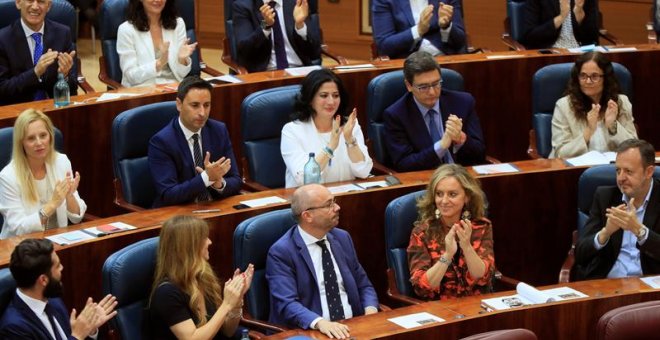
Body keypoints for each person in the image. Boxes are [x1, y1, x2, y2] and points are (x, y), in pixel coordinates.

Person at [266, 184, 378, 339]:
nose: (337, 207)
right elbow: (287, 304)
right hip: (311, 332)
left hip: (354, 328)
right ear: (307, 216)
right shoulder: (282, 252)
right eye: (329, 205)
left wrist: (370, 312)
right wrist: (321, 323)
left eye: (335, 201)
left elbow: (363, 285)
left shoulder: (342, 238)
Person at [147, 215, 254, 339]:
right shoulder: (166, 293)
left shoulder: (204, 278)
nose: (210, 242)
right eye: (204, 238)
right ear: (189, 247)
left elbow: (227, 332)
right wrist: (226, 305)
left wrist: (236, 299)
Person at [383, 51, 485, 172]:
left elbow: (480, 154)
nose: (432, 92)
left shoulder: (463, 102)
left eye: (436, 84)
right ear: (409, 86)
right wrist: (441, 146)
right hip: (425, 182)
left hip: (462, 178)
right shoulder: (396, 115)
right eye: (423, 87)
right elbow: (404, 164)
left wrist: (461, 139)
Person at [148, 76, 241, 208]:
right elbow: (168, 194)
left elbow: (236, 180)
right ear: (179, 104)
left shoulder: (218, 131)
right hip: (180, 217)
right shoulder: (162, 142)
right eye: (195, 105)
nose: (202, 113)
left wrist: (218, 183)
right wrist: (206, 178)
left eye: (206, 105)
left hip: (214, 209)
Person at [407, 164, 495, 300]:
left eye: (452, 194)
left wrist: (466, 246)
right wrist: (447, 255)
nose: (444, 201)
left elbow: (483, 277)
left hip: (475, 306)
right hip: (440, 311)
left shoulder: (481, 227)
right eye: (439, 194)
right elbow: (421, 287)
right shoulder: (422, 233)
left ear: (466, 197)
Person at [575, 139, 660, 280]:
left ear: (649, 172)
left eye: (628, 171)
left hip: (649, 288)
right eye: (618, 170)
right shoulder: (605, 197)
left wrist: (640, 231)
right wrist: (605, 233)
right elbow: (580, 254)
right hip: (609, 285)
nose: (621, 178)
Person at [0, 238, 117, 339]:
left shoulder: (53, 300)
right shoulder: (14, 328)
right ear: (43, 280)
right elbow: (74, 337)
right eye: (57, 266)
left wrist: (89, 330)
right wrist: (77, 336)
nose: (62, 268)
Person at [0, 109, 86, 239]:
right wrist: (52, 204)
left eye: (43, 135)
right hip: (22, 248)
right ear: (21, 143)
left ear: (50, 136)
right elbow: (19, 229)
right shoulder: (8, 176)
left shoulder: (61, 162)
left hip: (58, 241)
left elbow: (76, 218)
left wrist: (69, 196)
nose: (39, 143)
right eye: (31, 138)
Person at [281, 69, 372, 188]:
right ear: (309, 99)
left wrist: (349, 140)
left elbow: (364, 172)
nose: (331, 101)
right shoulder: (292, 131)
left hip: (348, 199)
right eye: (324, 95)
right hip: (310, 203)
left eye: (335, 95)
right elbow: (305, 179)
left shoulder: (349, 125)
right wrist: (330, 147)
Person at [550, 51, 637, 159]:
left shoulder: (621, 102)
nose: (588, 81)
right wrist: (589, 131)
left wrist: (613, 126)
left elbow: (634, 149)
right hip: (575, 170)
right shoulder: (564, 106)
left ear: (606, 78)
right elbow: (560, 153)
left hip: (613, 169)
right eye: (583, 76)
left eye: (594, 76)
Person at [0, 0, 78, 105]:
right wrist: (35, 73)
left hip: (53, 108)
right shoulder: (3, 39)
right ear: (18, 3)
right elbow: (2, 89)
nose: (35, 6)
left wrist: (64, 76)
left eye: (41, 1)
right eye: (30, 0)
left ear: (48, 6)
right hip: (18, 112)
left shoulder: (63, 33)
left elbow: (73, 89)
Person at [117, 0, 197, 87]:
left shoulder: (178, 24)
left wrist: (182, 59)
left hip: (174, 87)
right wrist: (159, 64)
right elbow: (131, 76)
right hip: (143, 90)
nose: (158, 0)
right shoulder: (126, 30)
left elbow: (182, 74)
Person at [232, 0, 321, 72]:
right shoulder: (243, 6)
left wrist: (300, 25)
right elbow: (244, 49)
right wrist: (265, 25)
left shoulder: (297, 3)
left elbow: (314, 52)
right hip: (266, 75)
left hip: (300, 72)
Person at [371, 0, 467, 59]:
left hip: (445, 62)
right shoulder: (383, 1)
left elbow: (461, 41)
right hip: (404, 67)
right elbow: (384, 46)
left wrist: (446, 26)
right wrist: (418, 30)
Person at [522, 0, 599, 49]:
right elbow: (530, 36)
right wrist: (561, 17)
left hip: (581, 52)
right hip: (550, 51)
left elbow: (593, 36)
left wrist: (579, 15)